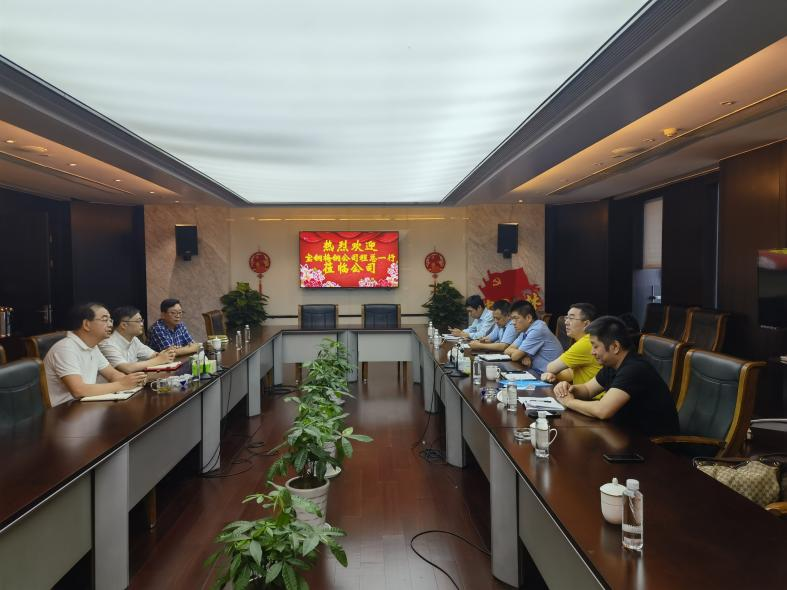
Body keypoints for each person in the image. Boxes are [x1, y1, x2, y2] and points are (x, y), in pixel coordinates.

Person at [553, 315, 679, 437]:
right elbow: (588, 390)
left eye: (595, 346)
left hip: (652, 444)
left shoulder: (634, 369)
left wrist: (570, 402)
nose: (592, 352)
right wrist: (569, 389)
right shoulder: (612, 365)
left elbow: (603, 411)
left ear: (615, 347)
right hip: (624, 434)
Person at [44, 303, 148, 406]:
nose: (110, 324)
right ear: (86, 324)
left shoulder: (93, 347)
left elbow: (112, 374)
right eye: (105, 320)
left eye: (110, 320)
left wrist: (134, 380)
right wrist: (122, 384)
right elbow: (78, 390)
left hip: (86, 404)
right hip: (65, 410)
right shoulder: (65, 348)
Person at [541, 302, 603, 397]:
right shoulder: (585, 340)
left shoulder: (586, 342)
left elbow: (551, 368)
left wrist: (550, 372)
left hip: (594, 399)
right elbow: (570, 374)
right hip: (586, 395)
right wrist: (552, 375)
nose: (566, 322)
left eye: (571, 318)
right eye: (566, 318)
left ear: (586, 324)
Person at [99, 306, 177, 372]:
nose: (142, 324)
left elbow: (154, 355)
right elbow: (127, 368)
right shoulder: (107, 344)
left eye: (141, 321)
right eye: (138, 321)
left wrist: (166, 353)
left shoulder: (134, 339)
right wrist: (160, 359)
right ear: (124, 325)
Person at [503, 300, 563, 373]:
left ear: (528, 318)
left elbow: (515, 356)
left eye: (516, 318)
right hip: (536, 370)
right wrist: (523, 356)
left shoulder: (538, 329)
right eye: (512, 319)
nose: (513, 323)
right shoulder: (525, 329)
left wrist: (520, 355)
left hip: (549, 375)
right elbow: (507, 350)